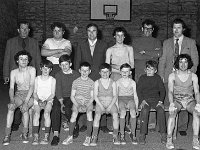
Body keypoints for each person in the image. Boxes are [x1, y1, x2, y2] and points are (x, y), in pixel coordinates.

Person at [158, 18, 199, 136]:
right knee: (169, 101)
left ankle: (181, 126)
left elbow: (195, 61)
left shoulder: (191, 42)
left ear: (183, 29)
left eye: (179, 27)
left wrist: (189, 75)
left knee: (185, 99)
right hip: (169, 76)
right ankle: (168, 126)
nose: (176, 30)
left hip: (185, 77)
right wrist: (161, 75)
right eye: (174, 27)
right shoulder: (166, 42)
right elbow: (162, 60)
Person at [3, 20, 41, 132]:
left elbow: (38, 58)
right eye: (22, 28)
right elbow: (7, 58)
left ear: (29, 30)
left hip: (30, 74)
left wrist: (38, 75)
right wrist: (6, 74)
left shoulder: (34, 42)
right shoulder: (11, 42)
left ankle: (27, 124)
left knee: (28, 97)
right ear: (18, 30)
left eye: (26, 29)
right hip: (15, 74)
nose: (24, 31)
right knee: (16, 97)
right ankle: (16, 122)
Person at [41, 22, 72, 146]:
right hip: (50, 69)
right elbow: (43, 53)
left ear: (63, 32)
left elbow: (66, 55)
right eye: (54, 31)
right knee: (51, 96)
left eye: (59, 31)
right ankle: (50, 121)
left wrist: (51, 52)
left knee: (63, 95)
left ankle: (64, 120)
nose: (57, 33)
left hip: (62, 68)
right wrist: (59, 51)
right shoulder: (48, 40)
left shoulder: (67, 42)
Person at [74, 23, 109, 133]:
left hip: (100, 76)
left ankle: (103, 124)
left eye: (94, 30)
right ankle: (84, 123)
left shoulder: (104, 45)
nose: (91, 33)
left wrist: (105, 76)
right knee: (85, 98)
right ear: (86, 32)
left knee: (101, 98)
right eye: (89, 31)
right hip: (85, 76)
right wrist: (78, 76)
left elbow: (106, 62)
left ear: (97, 32)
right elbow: (77, 61)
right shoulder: (81, 44)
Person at [166, 54, 200, 150]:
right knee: (172, 113)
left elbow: (197, 92)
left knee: (197, 113)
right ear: (178, 63)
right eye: (181, 62)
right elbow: (170, 91)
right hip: (177, 100)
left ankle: (195, 140)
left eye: (185, 62)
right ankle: (169, 139)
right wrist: (172, 103)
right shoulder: (172, 75)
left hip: (189, 100)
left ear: (189, 63)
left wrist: (198, 104)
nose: (183, 64)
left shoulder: (193, 76)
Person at [2, 50, 36, 146]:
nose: (24, 61)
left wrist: (25, 102)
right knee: (11, 108)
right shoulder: (13, 72)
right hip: (19, 94)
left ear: (28, 61)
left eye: (26, 59)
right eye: (21, 59)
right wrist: (12, 101)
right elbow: (11, 88)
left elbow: (32, 86)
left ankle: (24, 133)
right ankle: (7, 135)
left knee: (24, 109)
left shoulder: (32, 69)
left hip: (30, 94)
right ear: (17, 61)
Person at [62, 62, 94, 146]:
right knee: (74, 114)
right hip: (77, 101)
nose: (84, 72)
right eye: (83, 70)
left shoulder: (91, 82)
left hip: (88, 102)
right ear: (79, 71)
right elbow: (72, 96)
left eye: (86, 70)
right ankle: (70, 136)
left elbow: (92, 97)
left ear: (90, 71)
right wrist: (78, 105)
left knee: (89, 113)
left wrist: (86, 105)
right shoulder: (76, 82)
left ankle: (88, 137)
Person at [51, 54, 80, 146]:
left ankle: (74, 125)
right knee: (55, 109)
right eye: (62, 65)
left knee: (68, 109)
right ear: (59, 65)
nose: (64, 67)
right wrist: (61, 102)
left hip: (72, 96)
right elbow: (58, 89)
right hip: (60, 96)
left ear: (70, 64)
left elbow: (77, 88)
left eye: (66, 64)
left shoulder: (76, 74)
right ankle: (56, 134)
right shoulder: (58, 74)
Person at [137, 60, 166, 145]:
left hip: (156, 100)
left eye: (151, 69)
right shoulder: (142, 78)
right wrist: (142, 101)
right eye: (148, 69)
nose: (149, 71)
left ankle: (163, 133)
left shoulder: (157, 78)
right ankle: (142, 134)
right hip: (145, 100)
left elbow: (162, 91)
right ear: (145, 70)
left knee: (161, 111)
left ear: (155, 70)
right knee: (144, 111)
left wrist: (160, 101)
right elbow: (138, 91)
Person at [90, 63, 119, 146]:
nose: (105, 74)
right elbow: (95, 96)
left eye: (107, 72)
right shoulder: (97, 82)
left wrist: (110, 106)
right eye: (103, 72)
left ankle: (115, 135)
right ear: (99, 72)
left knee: (115, 115)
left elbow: (115, 96)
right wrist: (101, 106)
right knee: (97, 115)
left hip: (111, 102)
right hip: (100, 102)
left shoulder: (113, 83)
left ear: (110, 72)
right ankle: (94, 136)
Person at [32, 59, 56, 145]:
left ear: (51, 70)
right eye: (44, 68)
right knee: (36, 114)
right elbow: (34, 92)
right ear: (40, 68)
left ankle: (46, 136)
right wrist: (38, 100)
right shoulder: (36, 79)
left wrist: (46, 101)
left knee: (46, 113)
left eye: (48, 68)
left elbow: (53, 94)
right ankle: (35, 136)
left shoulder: (52, 80)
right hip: (37, 99)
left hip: (48, 100)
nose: (46, 70)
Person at [116, 63, 139, 145]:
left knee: (133, 112)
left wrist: (136, 107)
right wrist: (117, 107)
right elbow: (115, 96)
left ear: (130, 73)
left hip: (130, 99)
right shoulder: (118, 82)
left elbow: (135, 96)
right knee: (122, 112)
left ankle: (133, 134)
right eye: (123, 71)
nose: (125, 73)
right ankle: (122, 134)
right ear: (120, 72)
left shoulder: (132, 82)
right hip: (121, 99)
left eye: (127, 71)